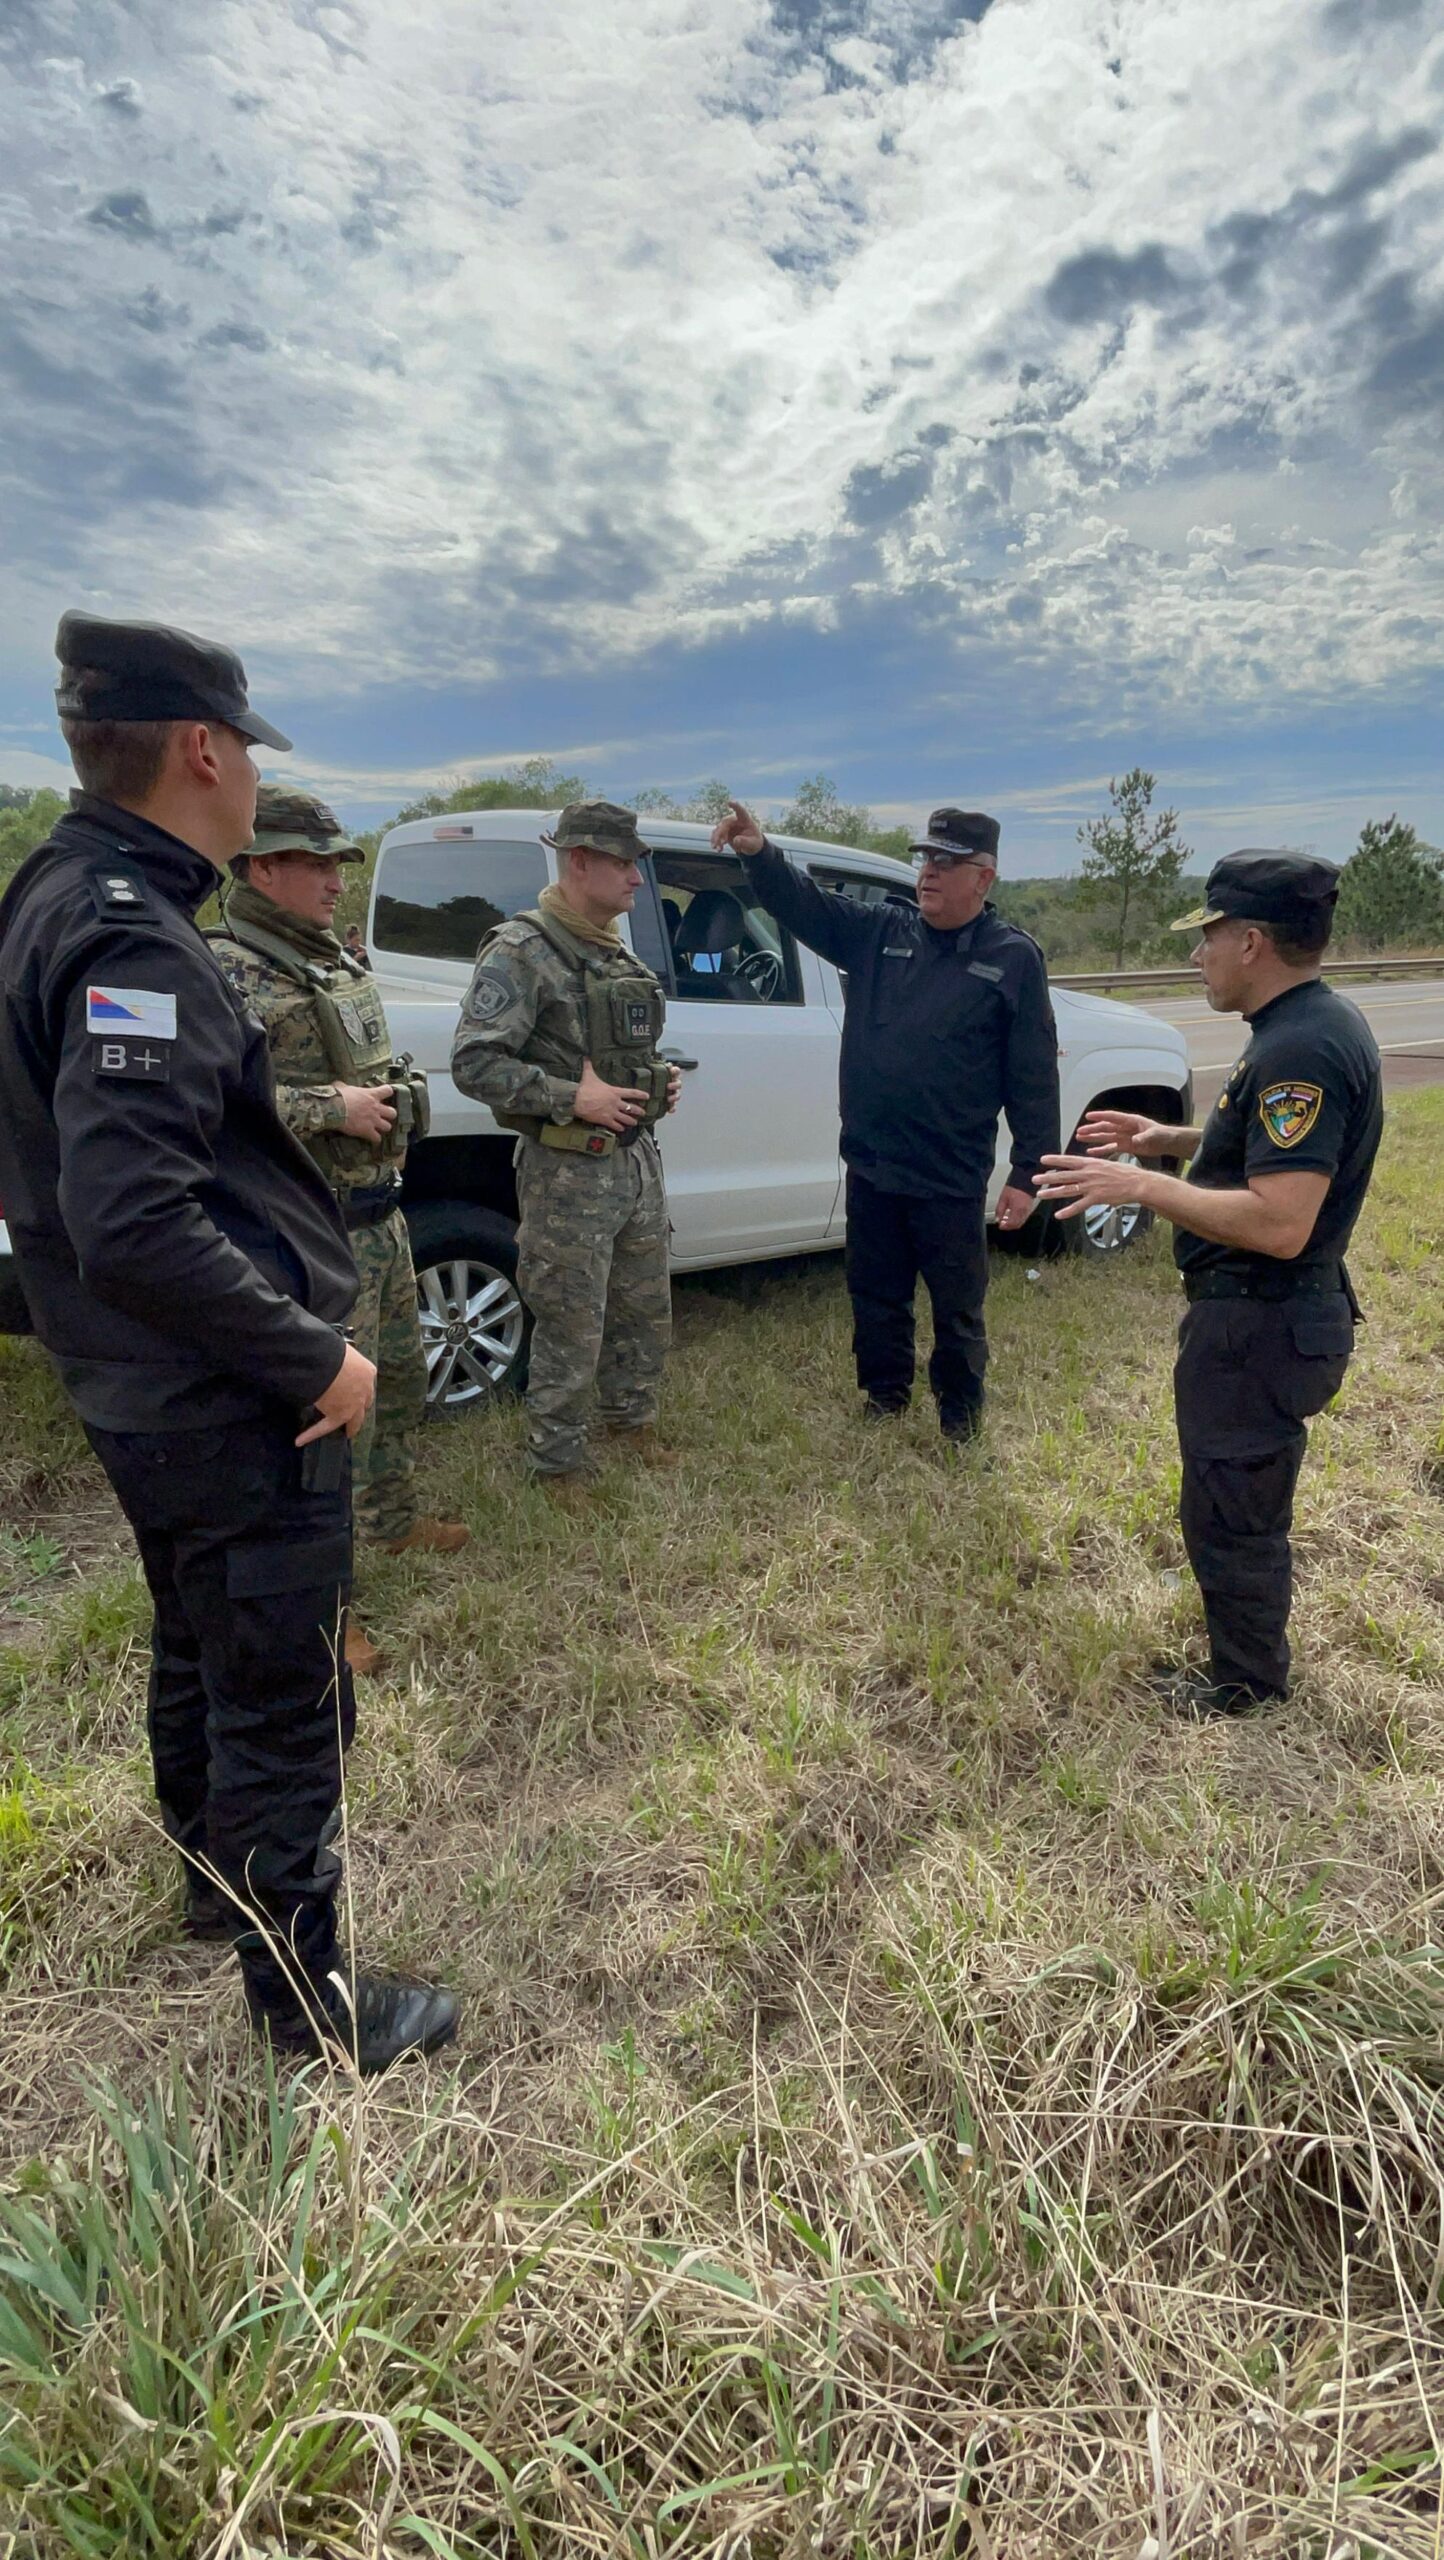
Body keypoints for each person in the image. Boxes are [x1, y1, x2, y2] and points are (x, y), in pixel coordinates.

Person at [0, 614, 457, 2068]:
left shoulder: (62, 890)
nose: (256, 775)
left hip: (144, 1387)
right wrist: (311, 1358)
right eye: (249, 747)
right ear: (202, 748)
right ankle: (310, 2008)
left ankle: (215, 1887)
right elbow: (132, 1215)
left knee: (198, 1638)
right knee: (279, 1685)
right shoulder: (128, 929)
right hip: (219, 1399)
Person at [1035, 850, 1382, 1721]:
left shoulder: (1301, 1049)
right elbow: (1267, 1157)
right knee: (1230, 1501)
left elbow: (1280, 1219)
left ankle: (1247, 1686)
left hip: (1261, 1324)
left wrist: (1142, 1186)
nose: (1199, 955)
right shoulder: (1308, 1025)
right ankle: (1243, 1659)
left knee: (1236, 1516)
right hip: (1268, 1320)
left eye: (1210, 936)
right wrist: (1166, 1139)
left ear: (1254, 942)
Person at [210, 785, 468, 1679]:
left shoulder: (328, 961)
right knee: (322, 1428)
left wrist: (400, 1095)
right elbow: (206, 1104)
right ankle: (328, 1613)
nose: (332, 880)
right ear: (262, 867)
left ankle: (393, 1524)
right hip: (305, 1239)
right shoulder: (226, 968)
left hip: (379, 1217)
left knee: (397, 1384)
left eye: (335, 864)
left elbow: (369, 1060)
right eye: (313, 864)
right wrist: (332, 1107)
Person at [710, 799, 1059, 1442]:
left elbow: (1033, 1073)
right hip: (872, 1160)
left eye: (947, 862)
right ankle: (884, 1395)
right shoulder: (881, 933)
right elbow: (805, 906)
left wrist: (1028, 1170)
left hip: (950, 1172)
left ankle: (959, 1413)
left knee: (956, 1306)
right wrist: (761, 854)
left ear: (983, 877)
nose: (929, 872)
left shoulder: (1012, 958)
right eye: (925, 858)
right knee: (875, 1292)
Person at [450, 801, 681, 1489]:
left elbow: (617, 1045)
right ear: (579, 861)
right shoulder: (523, 951)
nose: (637, 878)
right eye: (623, 863)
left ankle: (630, 1423)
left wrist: (655, 1082)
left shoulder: (610, 948)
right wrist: (571, 1098)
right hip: (568, 1173)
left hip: (636, 1163)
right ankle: (557, 1466)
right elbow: (474, 1063)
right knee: (570, 1322)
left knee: (644, 1308)